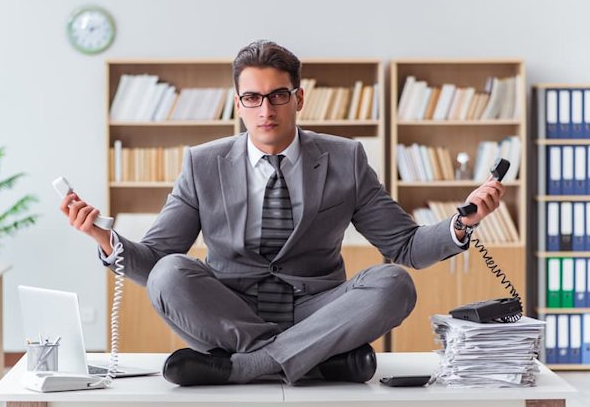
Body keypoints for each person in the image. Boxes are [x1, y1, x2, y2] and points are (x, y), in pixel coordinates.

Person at [60, 40, 505, 386]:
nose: (266, 110)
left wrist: (460, 223)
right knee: (170, 274)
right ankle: (316, 360)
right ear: (238, 103)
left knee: (392, 283)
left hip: (318, 310)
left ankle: (243, 368)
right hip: (229, 313)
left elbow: (404, 246)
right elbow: (158, 258)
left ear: (299, 98)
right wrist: (106, 241)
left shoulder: (345, 158)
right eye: (252, 98)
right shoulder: (203, 163)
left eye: (277, 96)